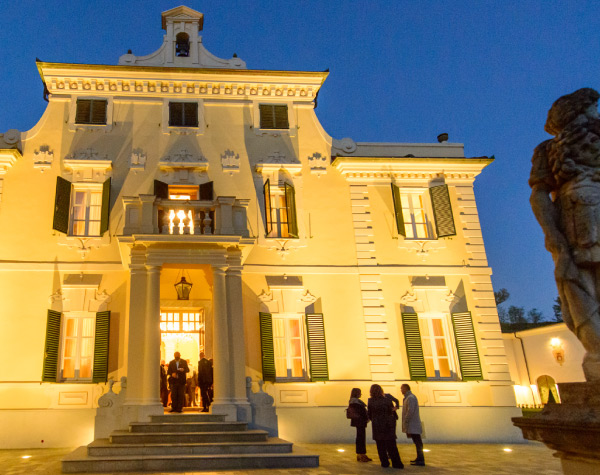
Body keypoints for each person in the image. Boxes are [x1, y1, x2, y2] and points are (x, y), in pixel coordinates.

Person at [367, 384, 403, 469]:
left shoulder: (370, 401)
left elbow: (369, 413)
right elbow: (391, 412)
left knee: (380, 445)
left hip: (377, 425)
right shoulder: (387, 400)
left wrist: (375, 420)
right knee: (392, 445)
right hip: (388, 425)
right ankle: (396, 463)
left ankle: (384, 462)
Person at [401, 384, 425, 466]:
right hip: (413, 424)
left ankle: (421, 459)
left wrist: (406, 420)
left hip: (413, 424)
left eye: (402, 388)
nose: (401, 390)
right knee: (417, 442)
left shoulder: (410, 398)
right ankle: (419, 458)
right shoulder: (409, 397)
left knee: (418, 442)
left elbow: (410, 411)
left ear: (405, 389)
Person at [348, 388, 372, 462]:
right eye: (360, 393)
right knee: (361, 438)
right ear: (356, 393)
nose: (361, 394)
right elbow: (361, 412)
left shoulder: (352, 401)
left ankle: (359, 454)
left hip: (357, 421)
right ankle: (362, 455)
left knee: (359, 437)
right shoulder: (356, 402)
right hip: (360, 421)